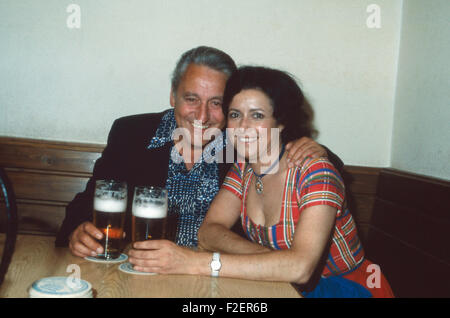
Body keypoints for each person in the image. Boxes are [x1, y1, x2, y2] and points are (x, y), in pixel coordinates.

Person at [127, 66, 394, 298]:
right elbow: (208, 232)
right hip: (280, 285)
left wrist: (195, 263)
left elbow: (301, 269)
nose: (242, 127)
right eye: (234, 115)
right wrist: (269, 260)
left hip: (343, 289)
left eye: (256, 115)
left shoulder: (315, 172)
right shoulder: (243, 168)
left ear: (281, 122)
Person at [55, 47, 343, 258]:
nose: (202, 116)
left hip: (222, 279)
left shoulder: (243, 142)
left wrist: (310, 146)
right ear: (173, 95)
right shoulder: (132, 133)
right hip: (140, 272)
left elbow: (328, 170)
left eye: (216, 103)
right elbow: (86, 203)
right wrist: (76, 232)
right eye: (191, 99)